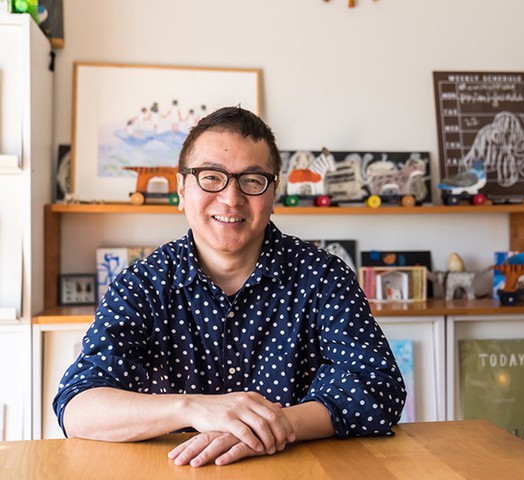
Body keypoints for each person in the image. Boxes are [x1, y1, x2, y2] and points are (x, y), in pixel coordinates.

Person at [53, 106, 406, 467]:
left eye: (251, 180)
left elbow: (379, 386)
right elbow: (78, 405)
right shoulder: (141, 285)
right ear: (181, 188)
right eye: (211, 177)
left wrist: (270, 426)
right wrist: (192, 408)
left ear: (273, 192)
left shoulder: (323, 276)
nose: (231, 198)